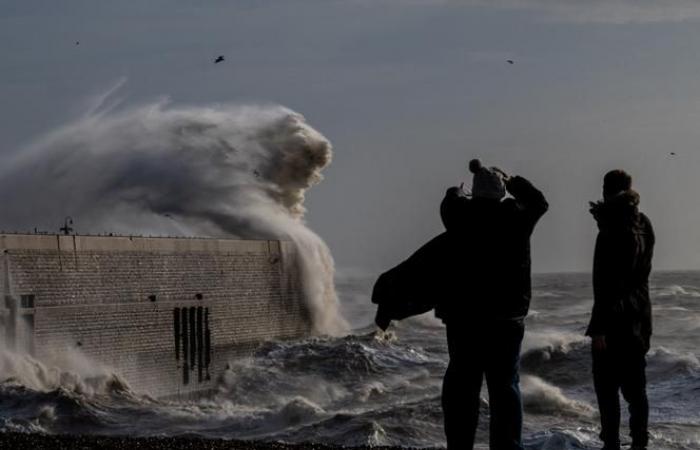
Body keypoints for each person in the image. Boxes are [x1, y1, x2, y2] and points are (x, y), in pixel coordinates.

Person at [437, 159, 548, 450]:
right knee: (505, 390)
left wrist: (459, 190)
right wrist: (511, 180)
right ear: (502, 193)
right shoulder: (517, 217)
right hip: (506, 320)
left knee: (462, 388)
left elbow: (450, 199)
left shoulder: (459, 215)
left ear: (475, 193)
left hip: (465, 319)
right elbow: (539, 201)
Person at [586, 170, 655, 450]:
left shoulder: (613, 228)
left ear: (606, 191)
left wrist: (599, 326)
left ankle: (612, 443)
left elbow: (608, 282)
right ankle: (640, 442)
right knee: (636, 389)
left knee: (607, 389)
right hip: (639, 316)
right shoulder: (642, 223)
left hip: (614, 320)